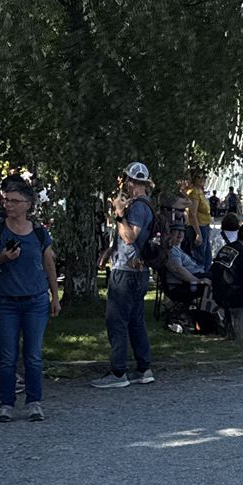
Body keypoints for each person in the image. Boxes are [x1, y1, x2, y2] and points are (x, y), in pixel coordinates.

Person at [0, 175, 60, 421]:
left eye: (14, 201)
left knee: (33, 355)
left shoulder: (39, 232)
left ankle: (34, 402)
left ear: (28, 204)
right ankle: (6, 403)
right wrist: (3, 257)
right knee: (6, 355)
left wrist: (55, 296)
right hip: (5, 300)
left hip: (35, 300)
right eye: (7, 200)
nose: (9, 205)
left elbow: (49, 264)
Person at [92, 162, 156, 390]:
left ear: (131, 182)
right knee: (136, 320)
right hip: (137, 269)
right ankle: (143, 368)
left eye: (127, 180)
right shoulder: (145, 205)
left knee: (116, 321)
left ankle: (118, 372)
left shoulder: (137, 208)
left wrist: (119, 213)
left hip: (126, 273)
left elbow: (129, 237)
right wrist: (110, 251)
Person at [159, 222, 210, 323]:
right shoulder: (171, 250)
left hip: (190, 281)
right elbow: (177, 269)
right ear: (169, 234)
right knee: (214, 281)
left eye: (181, 231)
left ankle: (212, 315)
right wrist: (198, 281)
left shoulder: (178, 249)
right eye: (176, 232)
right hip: (182, 287)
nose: (180, 235)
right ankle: (207, 318)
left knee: (217, 276)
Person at [184, 166, 214, 266]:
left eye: (204, 177)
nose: (202, 179)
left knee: (207, 259)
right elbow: (192, 214)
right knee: (199, 258)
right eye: (199, 177)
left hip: (205, 226)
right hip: (198, 227)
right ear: (193, 178)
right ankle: (199, 275)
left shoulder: (200, 191)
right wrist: (198, 233)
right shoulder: (194, 192)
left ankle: (205, 274)